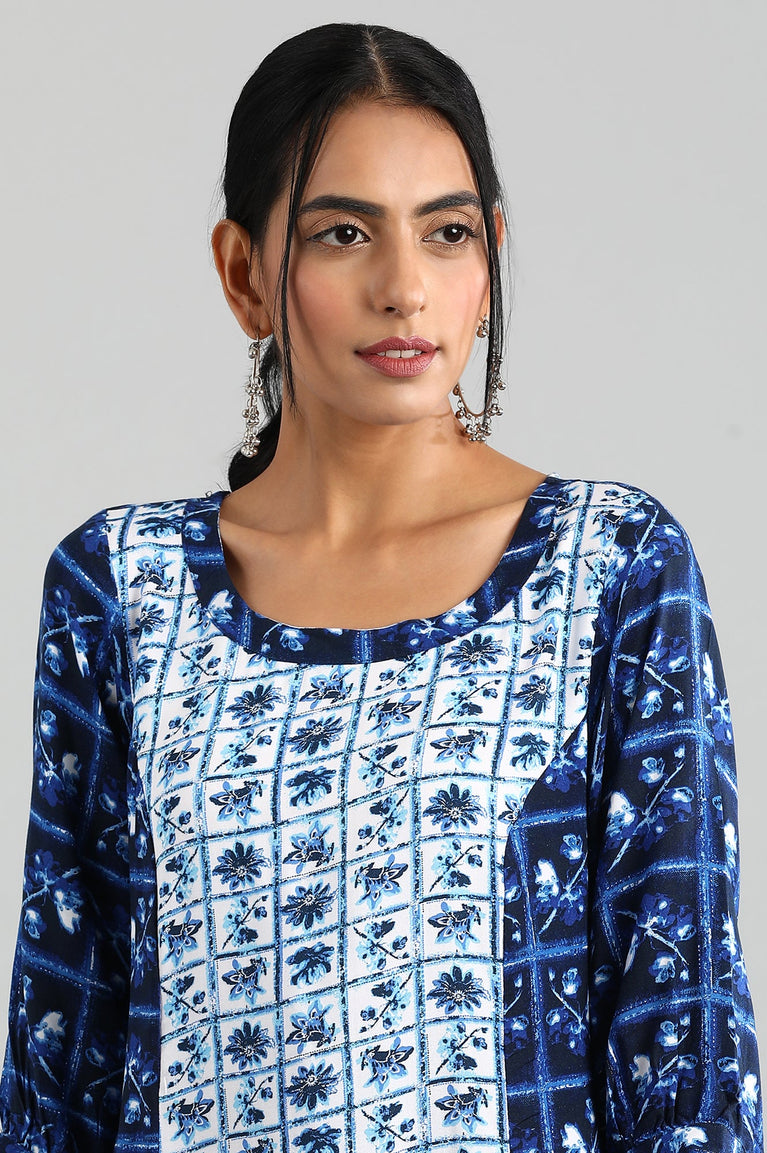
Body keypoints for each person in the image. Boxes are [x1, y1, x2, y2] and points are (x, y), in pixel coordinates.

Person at [0, 21, 761, 1153]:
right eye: (343, 233)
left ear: (489, 262)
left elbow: (685, 1050)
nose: (403, 287)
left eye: (446, 233)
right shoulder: (121, 588)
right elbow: (60, 1062)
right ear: (245, 274)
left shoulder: (609, 568)